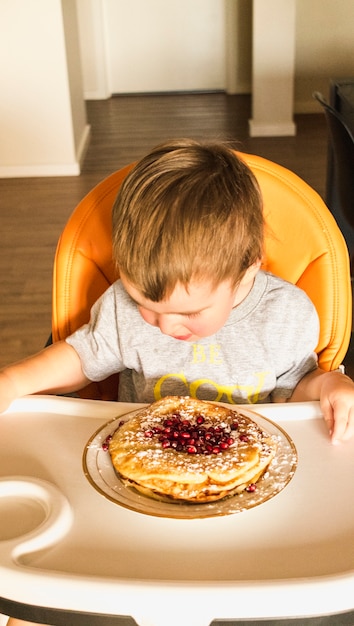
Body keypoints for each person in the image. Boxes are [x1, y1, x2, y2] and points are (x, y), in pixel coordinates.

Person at [3, 140, 354, 626]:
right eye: (147, 303)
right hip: (134, 502)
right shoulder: (123, 310)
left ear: (247, 265)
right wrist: (11, 381)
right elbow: (84, 356)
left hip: (250, 509)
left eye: (188, 312)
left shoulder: (285, 317)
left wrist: (330, 386)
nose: (165, 327)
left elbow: (300, 386)